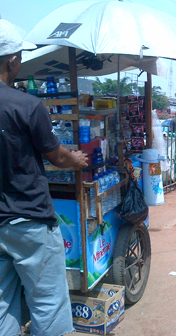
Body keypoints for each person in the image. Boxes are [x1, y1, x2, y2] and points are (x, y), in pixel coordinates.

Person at [0, 19, 88, 336]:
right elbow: (58, 156)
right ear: (12, 60)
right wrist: (76, 160)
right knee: (48, 304)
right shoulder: (28, 105)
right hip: (29, 220)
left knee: (2, 306)